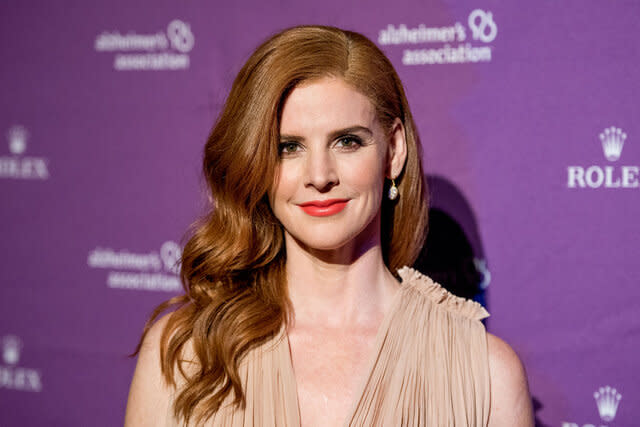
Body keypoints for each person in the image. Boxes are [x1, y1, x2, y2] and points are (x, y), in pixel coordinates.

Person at [124, 25, 534, 426]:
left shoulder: (486, 376)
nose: (319, 176)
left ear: (393, 150)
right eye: (288, 147)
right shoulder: (188, 354)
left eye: (347, 141)